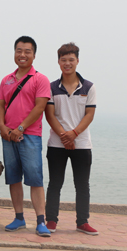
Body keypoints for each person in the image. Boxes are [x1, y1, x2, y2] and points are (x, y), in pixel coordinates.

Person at [0, 36, 52, 237]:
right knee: (13, 178)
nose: (22, 55)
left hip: (30, 136)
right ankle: (19, 218)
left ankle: (41, 221)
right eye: (19, 50)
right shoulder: (6, 80)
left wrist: (20, 128)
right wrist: (2, 127)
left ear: (34, 55)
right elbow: (0, 105)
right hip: (8, 136)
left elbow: (40, 107)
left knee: (35, 179)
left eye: (27, 51)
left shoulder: (40, 79)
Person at [45, 43, 98, 235]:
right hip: (56, 143)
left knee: (82, 185)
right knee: (55, 183)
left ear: (77, 61)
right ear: (58, 62)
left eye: (71, 60)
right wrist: (64, 136)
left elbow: (89, 115)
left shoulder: (89, 87)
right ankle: (51, 221)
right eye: (63, 60)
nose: (67, 63)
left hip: (82, 144)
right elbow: (50, 115)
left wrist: (74, 134)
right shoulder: (51, 87)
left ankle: (82, 222)